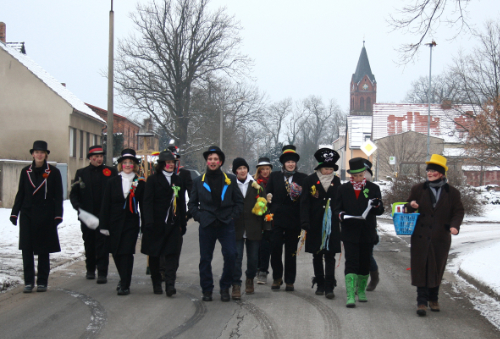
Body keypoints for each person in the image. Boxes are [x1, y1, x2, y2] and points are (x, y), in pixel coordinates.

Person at [405, 154, 464, 316]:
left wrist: (454, 226)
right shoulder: (418, 188)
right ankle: (421, 302)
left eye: (433, 171)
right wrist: (411, 205)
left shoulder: (452, 193)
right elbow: (406, 206)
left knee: (437, 267)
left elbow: (458, 212)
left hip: (440, 237)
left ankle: (434, 298)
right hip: (420, 236)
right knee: (421, 267)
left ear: (442, 174)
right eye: (428, 171)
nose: (430, 173)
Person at [188, 146, 244, 302]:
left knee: (231, 255)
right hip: (207, 225)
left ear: (220, 162)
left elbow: (239, 202)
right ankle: (207, 289)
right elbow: (192, 204)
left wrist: (233, 216)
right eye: (210, 159)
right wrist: (200, 216)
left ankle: (225, 286)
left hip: (226, 223)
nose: (213, 162)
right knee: (205, 259)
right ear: (207, 161)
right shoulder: (198, 181)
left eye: (215, 159)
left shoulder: (231, 179)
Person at [10, 140, 63, 293]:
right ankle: (28, 281)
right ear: (32, 154)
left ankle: (42, 281)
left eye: (42, 152)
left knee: (43, 249)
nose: (39, 155)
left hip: (46, 214)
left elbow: (58, 196)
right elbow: (21, 193)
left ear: (46, 155)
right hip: (28, 214)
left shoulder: (53, 172)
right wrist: (15, 212)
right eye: (37, 152)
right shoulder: (25, 171)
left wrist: (58, 215)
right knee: (26, 249)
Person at [334, 158, 384, 308]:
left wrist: (377, 205)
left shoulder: (373, 188)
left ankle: (360, 290)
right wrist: (341, 215)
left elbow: (380, 211)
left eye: (361, 175)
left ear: (365, 174)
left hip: (367, 231)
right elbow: (336, 208)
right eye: (355, 175)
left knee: (365, 262)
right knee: (351, 262)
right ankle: (350, 295)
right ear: (351, 175)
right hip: (350, 231)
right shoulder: (343, 189)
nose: (358, 178)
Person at [99, 149, 145, 295]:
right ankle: (122, 278)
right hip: (114, 223)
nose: (127, 165)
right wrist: (104, 225)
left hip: (131, 223)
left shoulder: (140, 182)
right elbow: (105, 204)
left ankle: (125, 284)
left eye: (130, 163)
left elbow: (144, 204)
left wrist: (146, 223)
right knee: (117, 253)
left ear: (134, 165)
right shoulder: (112, 181)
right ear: (120, 165)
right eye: (124, 162)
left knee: (127, 252)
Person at [70, 145, 118, 283]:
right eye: (95, 157)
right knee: (89, 243)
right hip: (87, 215)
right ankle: (90, 269)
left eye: (101, 156)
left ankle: (102, 272)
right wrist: (78, 208)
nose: (98, 159)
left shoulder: (111, 171)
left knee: (102, 244)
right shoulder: (81, 173)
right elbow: (74, 194)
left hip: (104, 215)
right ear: (90, 158)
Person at [141, 150, 186, 297]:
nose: (170, 165)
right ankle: (156, 282)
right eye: (168, 163)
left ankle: (170, 284)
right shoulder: (153, 180)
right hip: (156, 223)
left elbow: (181, 204)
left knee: (171, 255)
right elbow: (147, 202)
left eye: (173, 163)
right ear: (161, 164)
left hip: (173, 224)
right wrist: (148, 222)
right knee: (155, 255)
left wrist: (182, 223)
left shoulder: (178, 180)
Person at [300, 148, 341, 299]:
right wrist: (304, 221)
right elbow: (304, 203)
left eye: (331, 168)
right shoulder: (309, 180)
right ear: (319, 168)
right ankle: (320, 283)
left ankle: (330, 285)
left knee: (330, 255)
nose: (328, 171)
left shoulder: (337, 181)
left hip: (331, 224)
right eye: (326, 168)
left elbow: (339, 201)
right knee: (317, 254)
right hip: (315, 223)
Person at [266, 145, 307, 291]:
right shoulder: (275, 176)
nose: (291, 164)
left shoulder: (302, 178)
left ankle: (290, 280)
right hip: (276, 219)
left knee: (291, 251)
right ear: (283, 163)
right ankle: (277, 278)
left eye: (293, 162)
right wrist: (268, 198)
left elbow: (306, 199)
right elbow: (268, 193)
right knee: (275, 249)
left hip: (294, 220)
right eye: (288, 161)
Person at [231, 157, 266, 300]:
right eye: (239, 169)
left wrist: (261, 207)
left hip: (253, 228)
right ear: (235, 171)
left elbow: (264, 205)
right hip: (236, 228)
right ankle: (236, 285)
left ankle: (250, 278)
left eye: (244, 168)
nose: (242, 171)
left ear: (247, 169)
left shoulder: (256, 186)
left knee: (253, 259)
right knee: (236, 258)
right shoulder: (231, 185)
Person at [254, 157, 273, 285]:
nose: (265, 172)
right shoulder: (255, 182)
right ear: (259, 171)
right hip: (256, 217)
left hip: (270, 218)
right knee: (256, 246)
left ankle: (263, 271)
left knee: (266, 245)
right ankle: (256, 268)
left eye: (267, 169)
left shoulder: (274, 181)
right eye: (262, 169)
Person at [362, 159, 380, 292]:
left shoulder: (373, 188)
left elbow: (379, 209)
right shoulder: (349, 187)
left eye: (364, 173)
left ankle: (374, 277)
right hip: (352, 225)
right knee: (355, 256)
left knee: (367, 255)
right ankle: (358, 281)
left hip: (368, 226)